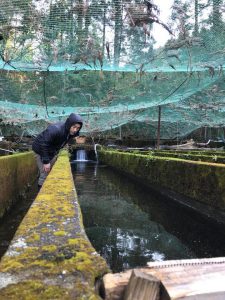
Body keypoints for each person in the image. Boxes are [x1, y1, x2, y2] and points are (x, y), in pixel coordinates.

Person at [32, 113, 83, 190]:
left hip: (51, 150)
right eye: (74, 127)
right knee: (44, 173)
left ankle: (47, 189)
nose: (75, 130)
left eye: (78, 128)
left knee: (50, 171)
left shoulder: (70, 132)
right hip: (40, 150)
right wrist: (46, 162)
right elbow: (43, 144)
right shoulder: (55, 129)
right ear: (69, 124)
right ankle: (41, 196)